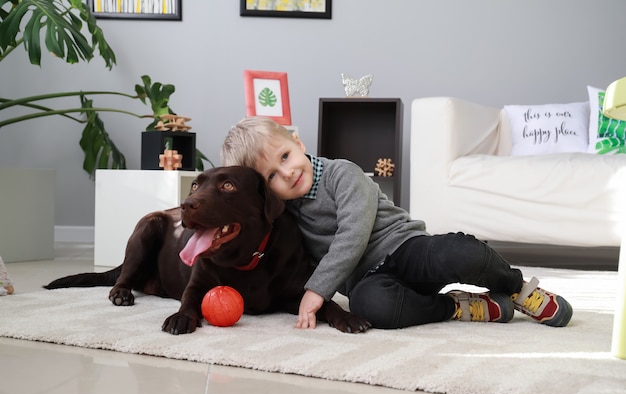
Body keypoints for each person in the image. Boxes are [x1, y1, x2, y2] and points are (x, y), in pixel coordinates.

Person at [221, 116, 573, 330]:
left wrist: (316, 291)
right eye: (271, 176)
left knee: (461, 252)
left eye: (286, 156)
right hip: (367, 279)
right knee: (373, 308)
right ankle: (457, 306)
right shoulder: (286, 214)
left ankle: (516, 287)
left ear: (297, 143)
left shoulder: (342, 173)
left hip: (404, 247)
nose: (288, 172)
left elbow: (354, 233)